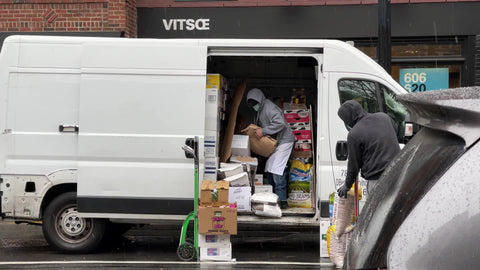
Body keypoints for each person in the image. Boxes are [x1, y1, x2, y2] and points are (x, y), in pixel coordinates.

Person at [336, 100, 400, 198]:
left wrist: (347, 185)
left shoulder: (354, 134)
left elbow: (354, 164)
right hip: (399, 173)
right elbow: (394, 133)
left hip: (378, 180)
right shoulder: (384, 117)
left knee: (377, 212)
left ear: (348, 118)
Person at [246, 88, 296, 209]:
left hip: (285, 141)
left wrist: (263, 131)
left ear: (260, 100)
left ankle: (282, 200)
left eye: (255, 104)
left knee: (277, 170)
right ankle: (274, 198)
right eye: (252, 105)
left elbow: (281, 123)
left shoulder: (269, 107)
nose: (254, 107)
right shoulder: (260, 109)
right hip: (277, 142)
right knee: (270, 169)